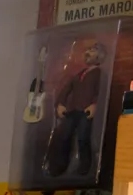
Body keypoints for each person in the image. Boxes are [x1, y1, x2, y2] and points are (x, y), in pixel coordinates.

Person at [44, 40, 106, 178]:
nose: (87, 53)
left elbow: (100, 91)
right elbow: (66, 89)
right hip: (72, 110)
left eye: (92, 50)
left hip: (85, 111)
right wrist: (61, 103)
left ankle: (85, 167)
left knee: (83, 138)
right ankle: (59, 166)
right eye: (87, 50)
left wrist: (95, 104)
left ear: (99, 55)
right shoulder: (79, 74)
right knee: (64, 136)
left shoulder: (99, 74)